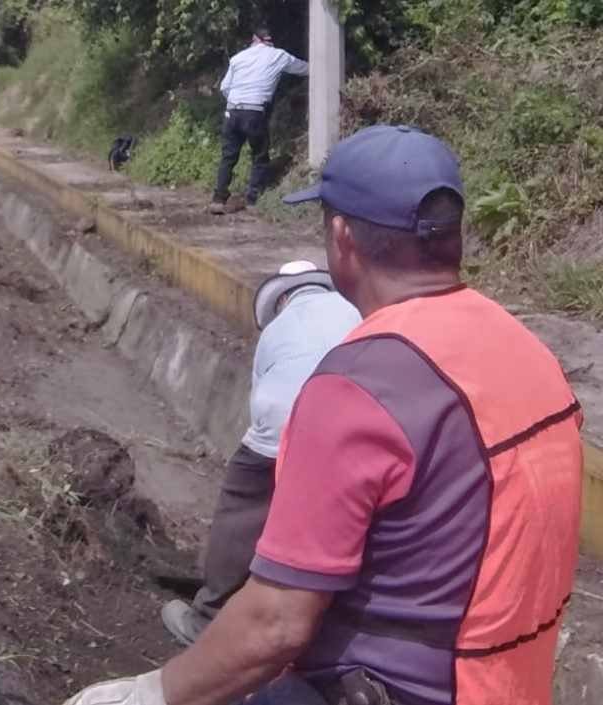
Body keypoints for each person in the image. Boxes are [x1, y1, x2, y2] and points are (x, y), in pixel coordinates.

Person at [65, 125, 583, 705]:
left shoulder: (358, 386)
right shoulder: (529, 352)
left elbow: (275, 624)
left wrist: (153, 693)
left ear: (341, 237)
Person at [161, 260, 360, 645]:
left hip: (286, 424)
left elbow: (261, 404)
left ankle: (208, 618)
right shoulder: (352, 311)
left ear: (282, 299)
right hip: (355, 429)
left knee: (243, 510)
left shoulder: (278, 329)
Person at [209, 27, 308, 215]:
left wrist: (237, 102)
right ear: (270, 40)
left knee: (228, 156)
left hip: (232, 110)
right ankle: (252, 200)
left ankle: (218, 199)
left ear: (254, 39)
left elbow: (224, 87)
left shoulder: (238, 58)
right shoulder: (279, 55)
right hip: (255, 112)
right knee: (259, 155)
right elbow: (304, 69)